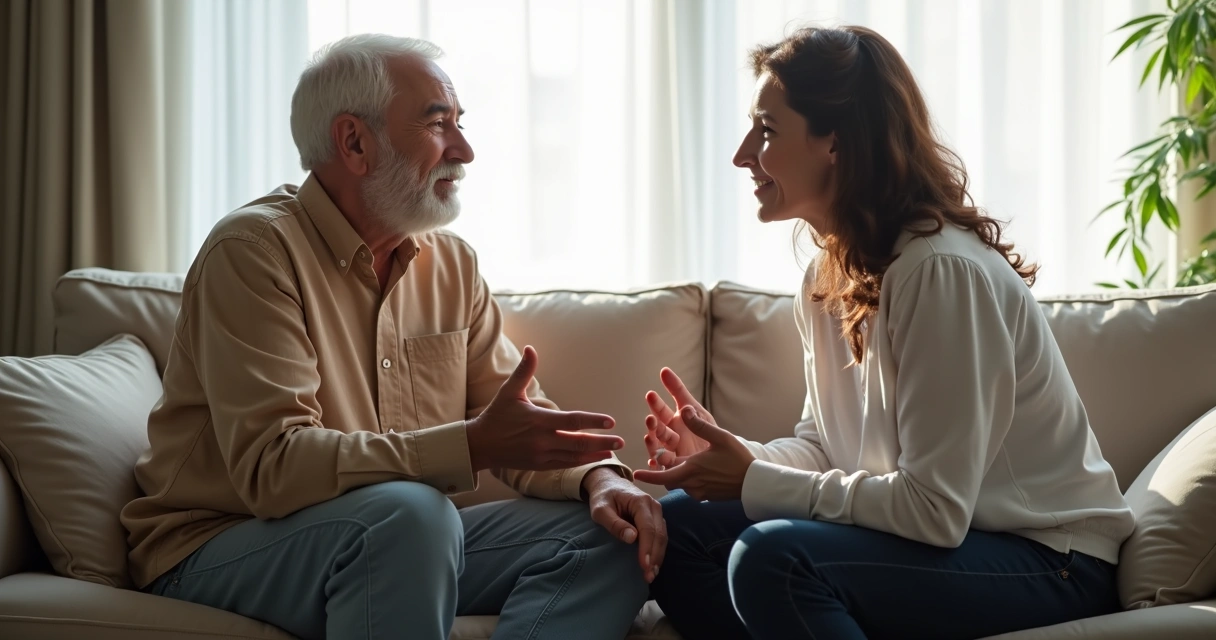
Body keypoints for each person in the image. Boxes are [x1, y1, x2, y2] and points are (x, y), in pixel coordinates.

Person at [120, 34, 661, 640]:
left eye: (460, 123)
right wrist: (471, 445)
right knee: (411, 515)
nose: (466, 150)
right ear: (355, 142)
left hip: (403, 539)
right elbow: (272, 468)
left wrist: (600, 478)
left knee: (617, 532)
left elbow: (510, 420)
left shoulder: (450, 264)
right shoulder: (252, 253)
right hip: (219, 544)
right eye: (438, 125)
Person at [634, 25, 1135, 640]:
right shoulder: (826, 274)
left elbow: (935, 510)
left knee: (773, 558)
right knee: (668, 525)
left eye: (766, 130)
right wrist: (736, 461)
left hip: (1048, 560)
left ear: (837, 141)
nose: (743, 154)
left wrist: (755, 482)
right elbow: (825, 447)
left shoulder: (939, 271)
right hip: (947, 544)